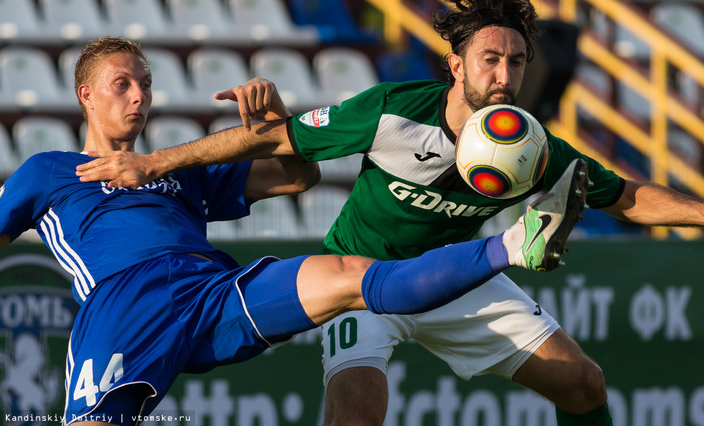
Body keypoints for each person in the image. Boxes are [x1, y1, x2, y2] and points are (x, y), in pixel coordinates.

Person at [74, 0, 704, 426]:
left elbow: (625, 196)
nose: (504, 75)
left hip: (457, 278)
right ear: (457, 64)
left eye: (517, 62)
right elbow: (272, 141)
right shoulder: (390, 113)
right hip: (361, 284)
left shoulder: (529, 145)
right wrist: (154, 162)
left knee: (585, 385)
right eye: (490, 60)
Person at [0, 37, 593, 426]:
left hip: (212, 291)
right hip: (128, 305)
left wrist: (272, 124)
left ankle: (515, 243)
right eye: (122, 84)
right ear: (85, 95)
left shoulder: (179, 174)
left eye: (146, 84)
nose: (139, 96)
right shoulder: (47, 173)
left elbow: (296, 176)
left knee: (352, 275)